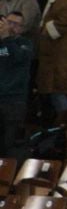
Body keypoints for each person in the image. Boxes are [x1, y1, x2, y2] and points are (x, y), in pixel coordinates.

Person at [0, 14, 35, 157]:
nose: (11, 26)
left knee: (9, 142)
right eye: (9, 22)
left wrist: (7, 39)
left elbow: (19, 57)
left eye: (16, 24)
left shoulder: (25, 44)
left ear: (21, 29)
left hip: (14, 100)